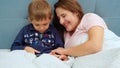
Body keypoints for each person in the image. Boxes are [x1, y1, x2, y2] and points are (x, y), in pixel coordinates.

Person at [51, 0, 120, 68]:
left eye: (63, 16)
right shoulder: (66, 35)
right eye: (59, 18)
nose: (61, 21)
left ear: (75, 12)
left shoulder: (89, 17)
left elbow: (95, 45)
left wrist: (65, 51)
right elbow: (74, 55)